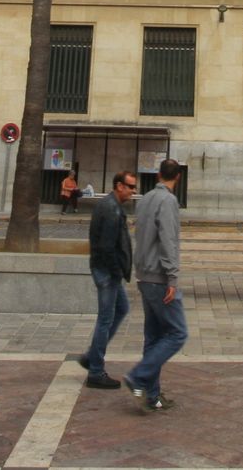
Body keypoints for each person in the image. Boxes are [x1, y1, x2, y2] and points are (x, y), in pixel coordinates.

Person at [125, 158, 186, 413]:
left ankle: (151, 395)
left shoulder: (145, 199)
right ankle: (139, 376)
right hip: (159, 277)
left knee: (153, 336)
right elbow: (168, 239)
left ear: (159, 174)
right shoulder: (168, 201)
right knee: (177, 333)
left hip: (144, 275)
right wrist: (172, 277)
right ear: (178, 177)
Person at [78, 170, 137, 389]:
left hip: (107, 270)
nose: (133, 191)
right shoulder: (111, 208)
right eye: (131, 187)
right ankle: (95, 371)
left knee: (121, 309)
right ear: (119, 186)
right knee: (105, 319)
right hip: (107, 272)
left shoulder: (111, 205)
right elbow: (107, 247)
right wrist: (116, 271)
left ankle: (91, 356)